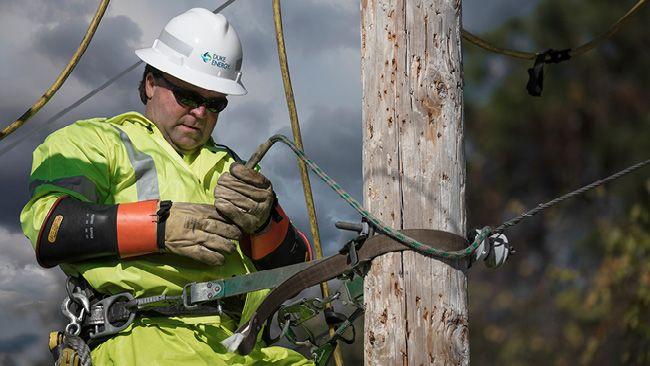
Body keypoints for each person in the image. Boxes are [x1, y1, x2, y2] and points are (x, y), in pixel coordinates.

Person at [20, 8, 313, 365]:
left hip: (238, 346)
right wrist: (158, 227)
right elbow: (51, 227)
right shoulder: (94, 143)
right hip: (140, 342)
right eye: (189, 96)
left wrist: (266, 222)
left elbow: (298, 265)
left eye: (214, 102)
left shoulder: (230, 167)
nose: (201, 113)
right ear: (150, 83)